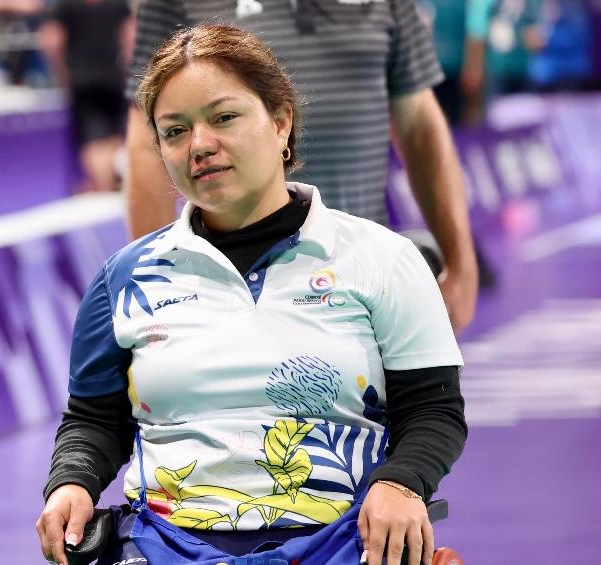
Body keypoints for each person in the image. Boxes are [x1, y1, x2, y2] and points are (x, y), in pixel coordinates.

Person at [36, 25, 466, 565]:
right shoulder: (123, 278)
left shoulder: (383, 259)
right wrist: (71, 483)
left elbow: (435, 409)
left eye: (224, 118)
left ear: (281, 121)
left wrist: (402, 484)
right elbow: (93, 420)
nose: (200, 145)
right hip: (162, 547)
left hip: (340, 542)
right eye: (174, 131)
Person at [122, 0, 480, 335]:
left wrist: (460, 263)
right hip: (231, 295)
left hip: (365, 285)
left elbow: (418, 123)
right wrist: (157, 286)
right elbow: (147, 139)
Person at [39, 0, 135, 192]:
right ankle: (111, 188)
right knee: (113, 136)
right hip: (113, 78)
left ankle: (103, 189)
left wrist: (61, 73)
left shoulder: (65, 5)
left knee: (92, 139)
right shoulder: (117, 4)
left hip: (82, 79)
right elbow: (131, 37)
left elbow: (52, 41)